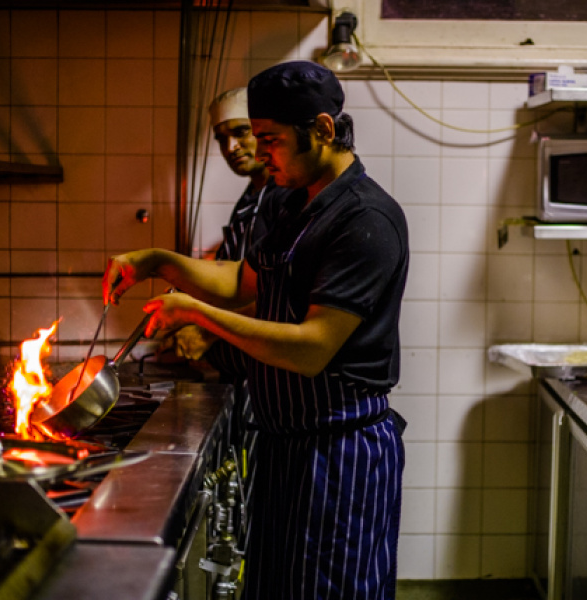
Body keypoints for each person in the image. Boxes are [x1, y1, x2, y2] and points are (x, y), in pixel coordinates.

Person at [103, 61, 409, 600]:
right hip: (285, 444)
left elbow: (313, 348)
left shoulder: (365, 219)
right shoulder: (291, 201)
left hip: (340, 453)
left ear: (322, 129)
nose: (261, 153)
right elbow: (241, 281)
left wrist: (195, 314)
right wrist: (155, 261)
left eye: (271, 139)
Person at [162, 86, 290, 565]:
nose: (231, 147)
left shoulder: (282, 197)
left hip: (270, 383)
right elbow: (237, 275)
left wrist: (206, 328)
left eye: (241, 133)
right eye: (221, 138)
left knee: (264, 522)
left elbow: (277, 295)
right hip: (241, 376)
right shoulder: (251, 196)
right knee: (243, 517)